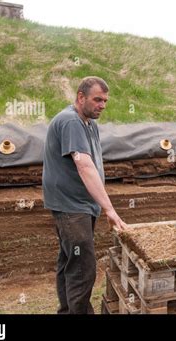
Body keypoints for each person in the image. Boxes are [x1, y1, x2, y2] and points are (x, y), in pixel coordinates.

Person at [43, 76, 127, 314]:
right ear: (81, 97)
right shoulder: (71, 121)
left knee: (69, 261)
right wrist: (110, 209)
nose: (102, 105)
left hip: (80, 205)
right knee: (83, 267)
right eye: (97, 99)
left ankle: (66, 311)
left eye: (105, 101)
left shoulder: (88, 123)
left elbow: (92, 165)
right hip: (71, 207)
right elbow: (85, 166)